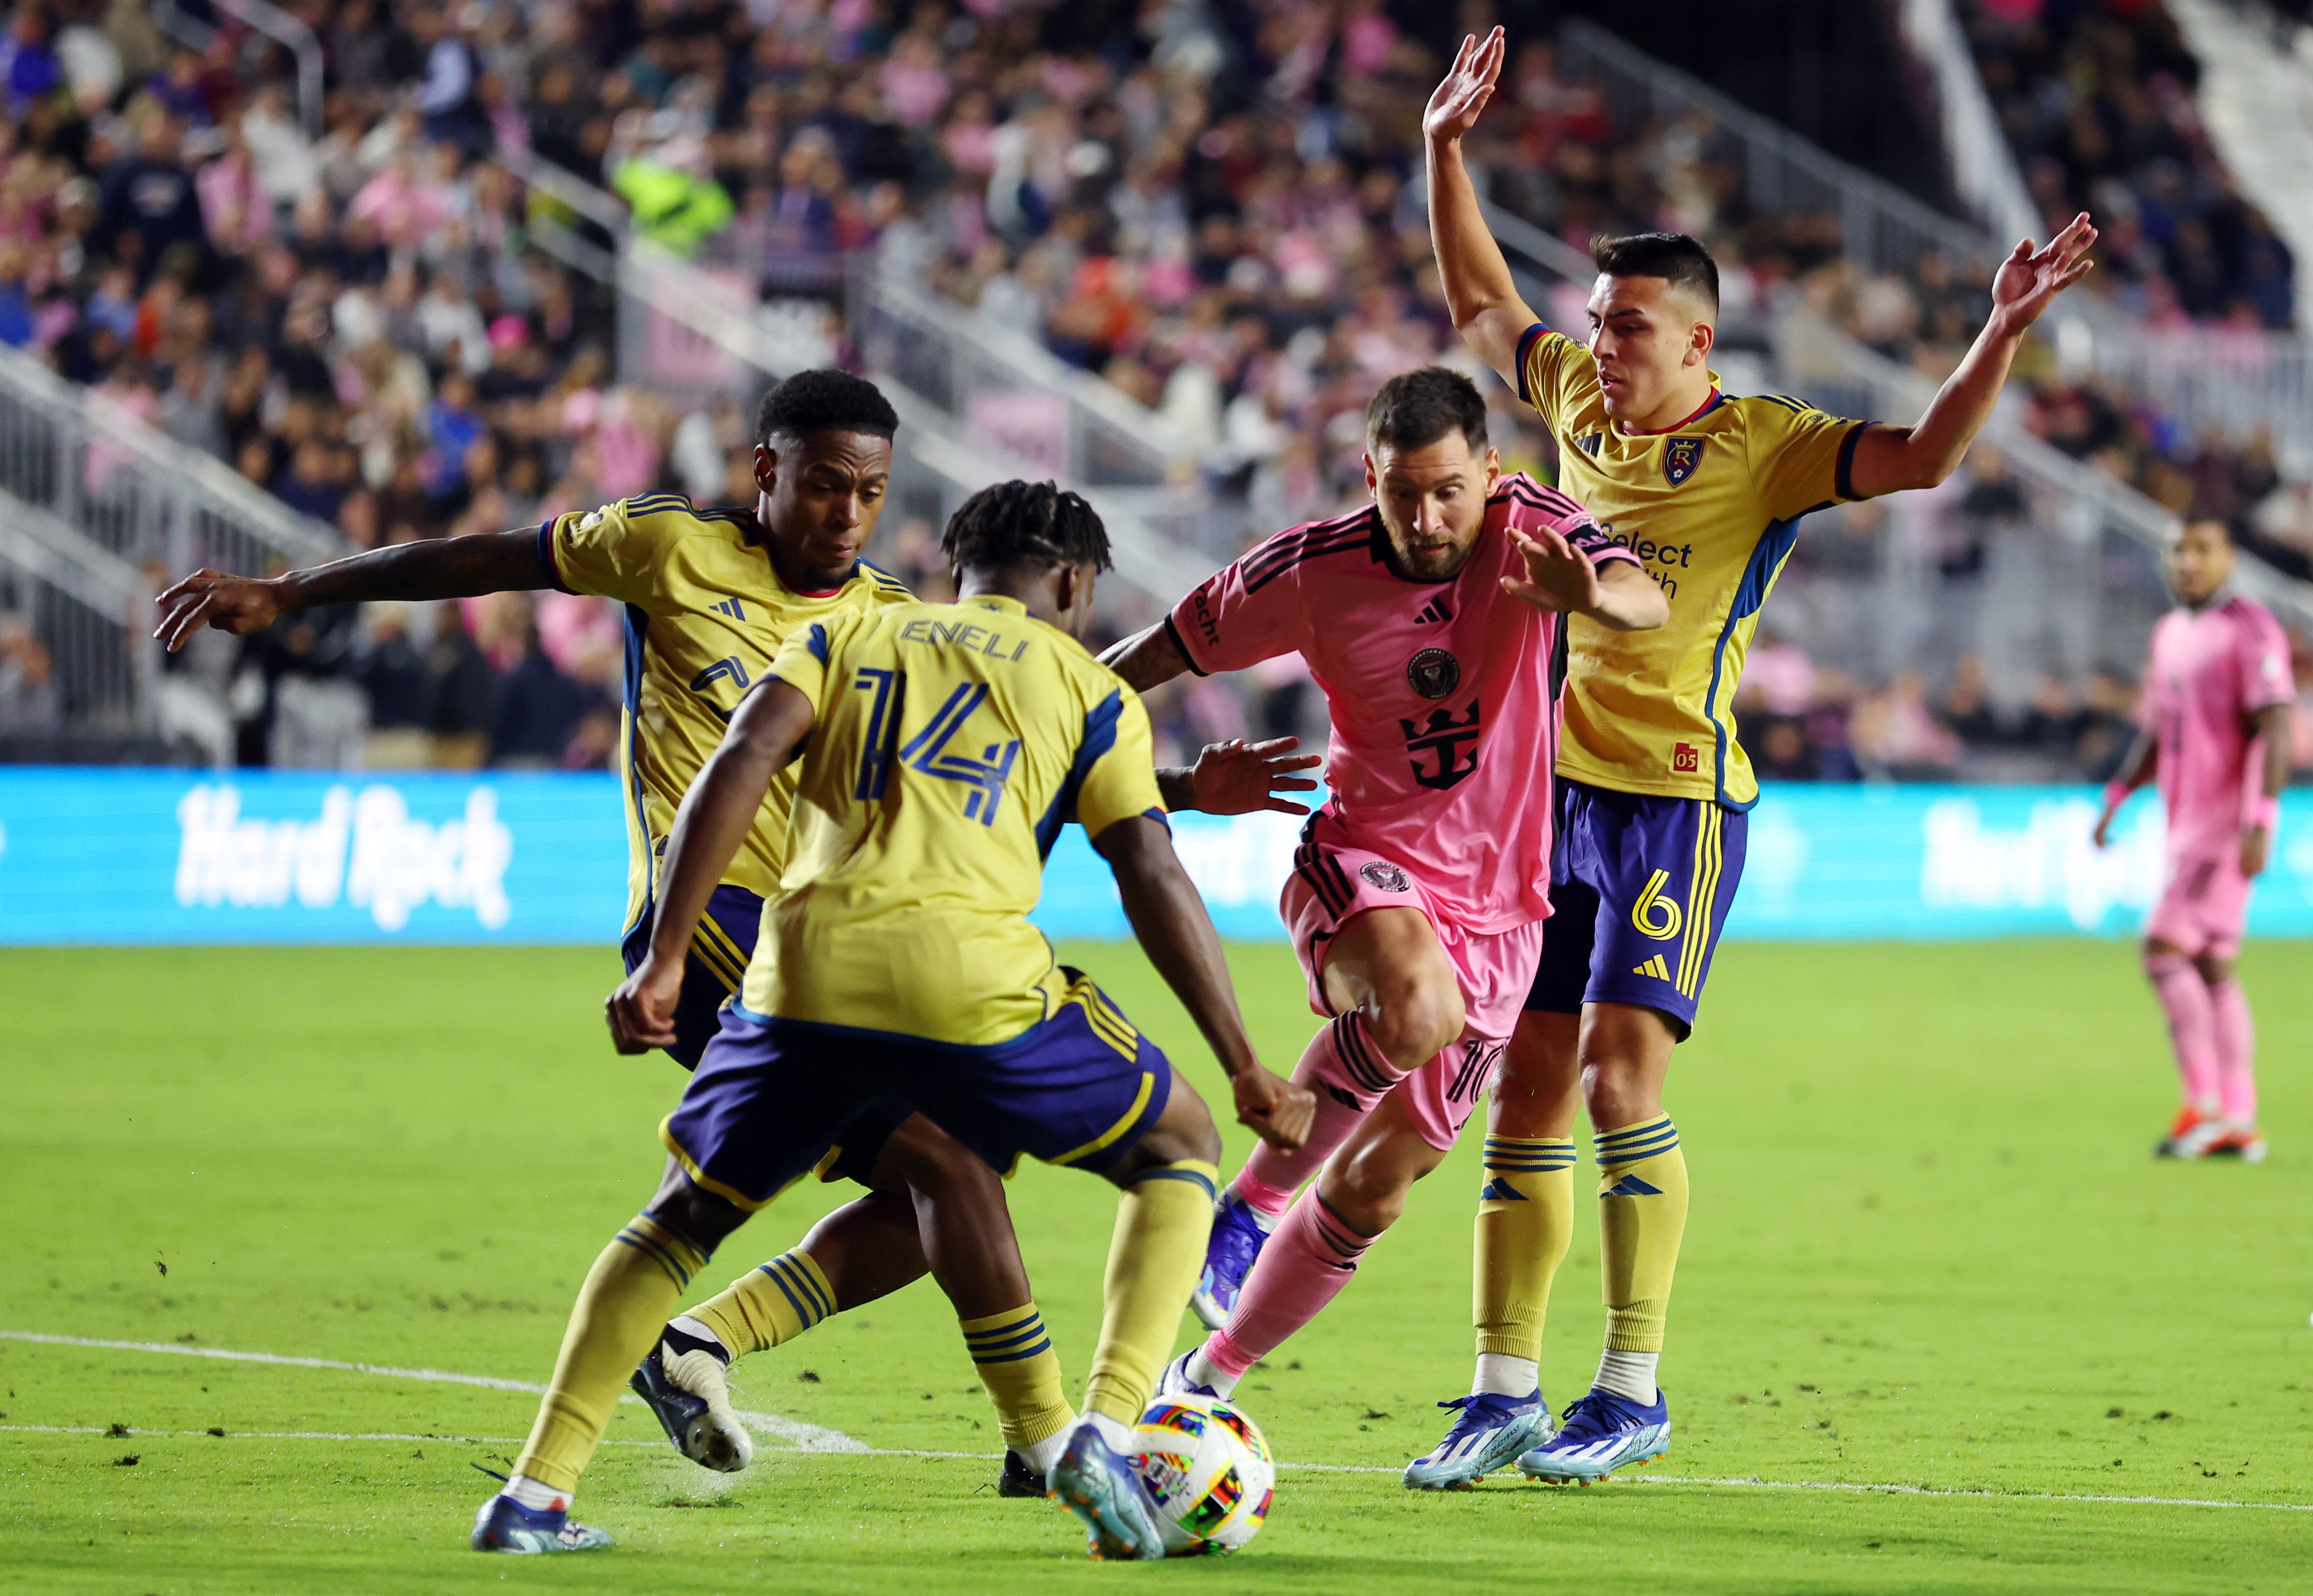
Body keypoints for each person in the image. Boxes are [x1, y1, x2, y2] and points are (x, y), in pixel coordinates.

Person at [151, 371, 1073, 1489]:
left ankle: (700, 1344)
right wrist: (293, 594)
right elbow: (482, 558)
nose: (847, 513)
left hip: (832, 938)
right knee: (942, 1160)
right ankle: (1050, 1440)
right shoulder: (665, 544)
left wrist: (1158, 783)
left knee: (949, 1177)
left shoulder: (885, 615)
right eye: (826, 484)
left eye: (871, 492)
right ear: (767, 471)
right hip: (711, 927)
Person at [1422, 26, 2100, 1485]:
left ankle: (1632, 1387)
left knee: (1617, 1079)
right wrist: (1443, 151)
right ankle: (1497, 1389)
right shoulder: (1577, 406)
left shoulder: (1768, 445)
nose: (1601, 343)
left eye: (1631, 325)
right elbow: (1482, 305)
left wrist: (2002, 332)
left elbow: (1918, 458)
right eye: (1600, 319)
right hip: (1549, 800)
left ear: (1698, 342)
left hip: (1672, 801)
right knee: (1522, 1080)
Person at [474, 480, 1314, 1559]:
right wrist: (1243, 1062)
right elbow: (1143, 863)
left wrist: (670, 956)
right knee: (1179, 1147)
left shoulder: (848, 633)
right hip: (971, 984)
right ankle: (1100, 1429)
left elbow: (737, 761)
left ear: (957, 564)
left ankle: (533, 1496)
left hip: (799, 981)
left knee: (684, 1217)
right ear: (1070, 582)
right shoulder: (1083, 682)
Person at [1100, 365, 1664, 1488]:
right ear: (1369, 475)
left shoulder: (1533, 529)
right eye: (1403, 493)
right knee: (1415, 1004)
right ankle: (1249, 1204)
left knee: (1373, 1186)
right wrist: (1052, 726)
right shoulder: (1308, 569)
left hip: (1506, 909)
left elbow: (1643, 595)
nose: (1426, 517)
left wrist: (1588, 597)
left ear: (1488, 472)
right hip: (1366, 863)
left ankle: (1204, 1381)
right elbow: (1148, 657)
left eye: (1448, 490)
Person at [2094, 520, 2293, 1162]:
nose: (2186, 561)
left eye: (2202, 549)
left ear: (2230, 557)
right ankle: (2238, 1116)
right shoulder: (2169, 633)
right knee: (2210, 967)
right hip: (2180, 827)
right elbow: (2160, 730)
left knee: (2161, 948)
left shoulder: (2249, 627)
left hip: (2224, 829)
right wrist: (2117, 799)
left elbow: (2277, 727)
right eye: (2178, 550)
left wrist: (2260, 817)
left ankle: (2203, 1106)